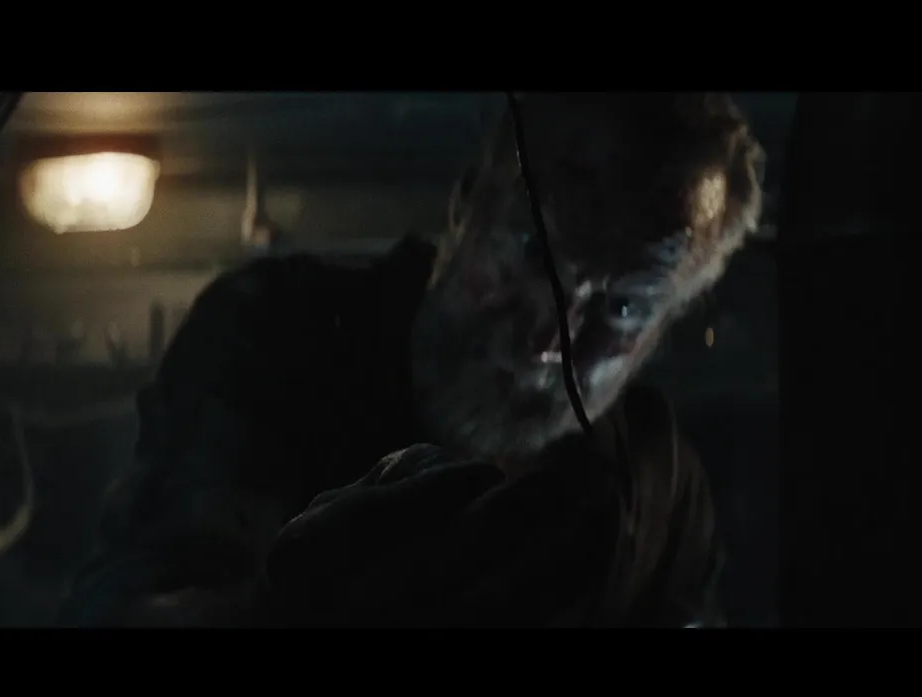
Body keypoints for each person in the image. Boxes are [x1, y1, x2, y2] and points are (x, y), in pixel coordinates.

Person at [57, 93, 765, 627]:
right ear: (467, 200)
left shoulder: (657, 483)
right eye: (532, 250)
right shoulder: (278, 331)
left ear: (666, 326)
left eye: (624, 307)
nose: (546, 336)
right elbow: (131, 604)